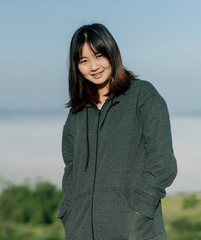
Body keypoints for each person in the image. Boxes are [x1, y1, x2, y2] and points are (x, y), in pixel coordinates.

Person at [58, 23, 177, 240]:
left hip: (135, 230)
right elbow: (71, 169)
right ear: (76, 66)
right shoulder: (76, 113)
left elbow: (163, 163)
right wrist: (69, 210)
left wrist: (140, 209)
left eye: (99, 56)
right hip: (81, 232)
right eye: (84, 61)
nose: (93, 66)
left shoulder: (143, 95)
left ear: (112, 53)